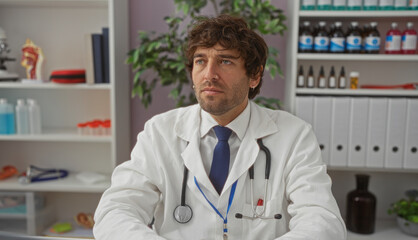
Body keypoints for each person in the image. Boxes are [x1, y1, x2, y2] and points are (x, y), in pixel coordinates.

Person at [93, 14, 346, 240]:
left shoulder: (294, 135)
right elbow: (115, 211)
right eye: (200, 61)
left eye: (225, 61)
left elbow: (323, 221)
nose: (209, 74)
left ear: (255, 76)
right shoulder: (160, 132)